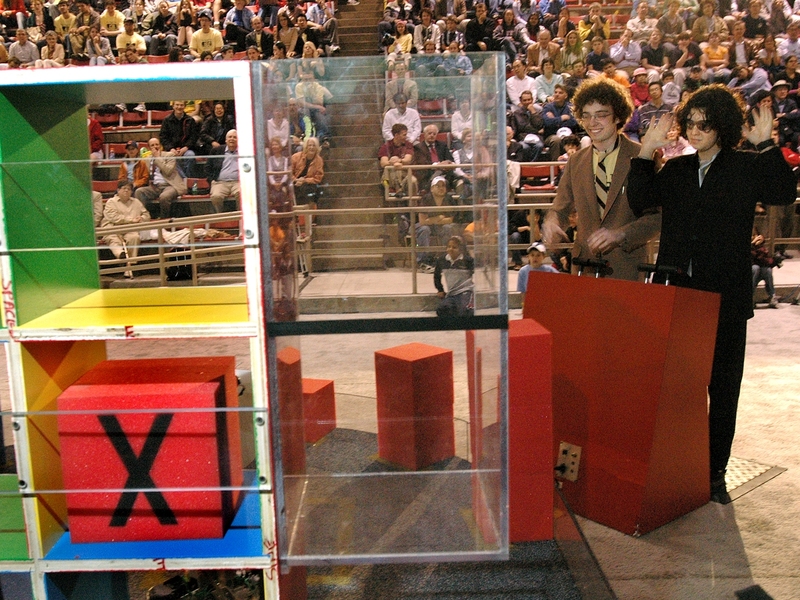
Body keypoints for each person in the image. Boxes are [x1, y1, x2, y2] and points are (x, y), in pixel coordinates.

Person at [628, 84, 796, 502]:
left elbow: (782, 194)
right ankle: (677, 466)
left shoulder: (746, 165)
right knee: (678, 389)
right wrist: (646, 153)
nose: (696, 130)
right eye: (690, 122)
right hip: (678, 293)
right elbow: (641, 201)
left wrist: (767, 144)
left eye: (705, 124)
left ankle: (715, 472)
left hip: (725, 298)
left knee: (723, 389)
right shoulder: (679, 170)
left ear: (722, 125)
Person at [542, 78, 661, 281]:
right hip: (584, 267)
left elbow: (657, 218)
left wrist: (621, 234)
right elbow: (559, 208)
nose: (592, 123)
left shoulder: (645, 157)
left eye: (601, 115)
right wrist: (552, 221)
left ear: (617, 116)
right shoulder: (576, 161)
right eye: (586, 116)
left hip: (627, 268)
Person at [101, 180, 151, 279]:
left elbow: (146, 215)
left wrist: (141, 218)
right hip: (113, 228)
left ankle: (129, 267)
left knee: (134, 237)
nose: (126, 191)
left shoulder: (136, 202)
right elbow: (113, 217)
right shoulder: (111, 202)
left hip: (130, 229)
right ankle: (120, 254)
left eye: (129, 189)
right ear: (118, 190)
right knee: (113, 239)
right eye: (124, 188)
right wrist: (131, 220)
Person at [135, 137, 188, 218]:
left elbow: (168, 171)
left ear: (160, 146)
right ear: (149, 148)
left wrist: (157, 158)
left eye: (157, 144)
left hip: (170, 185)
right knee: (139, 192)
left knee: (164, 197)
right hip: (155, 187)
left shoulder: (169, 155)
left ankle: (164, 220)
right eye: (152, 145)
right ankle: (144, 217)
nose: (155, 146)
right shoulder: (147, 159)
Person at [434, 235, 474, 318]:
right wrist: (440, 289)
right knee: (442, 310)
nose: (451, 249)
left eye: (454, 247)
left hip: (465, 291)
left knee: (466, 311)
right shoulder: (442, 260)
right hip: (451, 293)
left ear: (460, 249)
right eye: (449, 247)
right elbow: (436, 275)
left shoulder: (468, 260)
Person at [160, 100, 199, 175]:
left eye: (181, 105)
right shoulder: (166, 120)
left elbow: (194, 137)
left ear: (184, 106)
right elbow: (163, 137)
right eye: (177, 105)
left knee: (191, 156)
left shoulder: (190, 120)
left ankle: (188, 179)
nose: (179, 107)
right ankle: (183, 179)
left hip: (186, 149)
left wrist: (186, 147)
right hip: (171, 150)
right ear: (173, 106)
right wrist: (171, 149)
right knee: (171, 159)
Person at [205, 129, 240, 212]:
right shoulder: (217, 150)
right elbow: (207, 167)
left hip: (238, 182)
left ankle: (240, 219)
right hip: (220, 182)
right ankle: (220, 218)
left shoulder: (244, 151)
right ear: (226, 140)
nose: (232, 139)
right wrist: (212, 180)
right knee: (216, 196)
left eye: (235, 137)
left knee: (242, 195)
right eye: (230, 137)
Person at [291, 136, 324, 211]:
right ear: (306, 146)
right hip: (294, 182)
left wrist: (304, 180)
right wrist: (296, 180)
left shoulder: (319, 160)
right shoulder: (295, 157)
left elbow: (318, 178)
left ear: (317, 147)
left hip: (309, 184)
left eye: (314, 145)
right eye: (310, 145)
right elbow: (289, 173)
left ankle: (308, 215)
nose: (311, 147)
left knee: (312, 190)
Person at [751, 228, 781, 308]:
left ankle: (772, 296)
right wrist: (752, 245)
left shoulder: (760, 247)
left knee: (767, 270)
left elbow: (765, 260)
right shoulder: (752, 246)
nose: (756, 238)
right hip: (750, 272)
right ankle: (750, 297)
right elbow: (754, 258)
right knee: (755, 268)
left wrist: (775, 261)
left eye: (756, 235)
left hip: (758, 272)